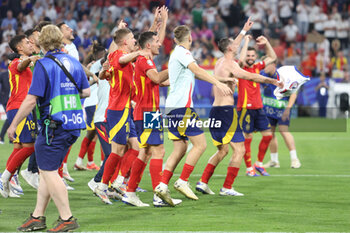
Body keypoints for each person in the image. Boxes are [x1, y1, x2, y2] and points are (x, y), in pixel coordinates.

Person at [7, 25, 90, 232]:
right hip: (73, 123)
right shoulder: (73, 61)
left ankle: (67, 217)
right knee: (47, 170)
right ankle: (37, 216)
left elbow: (30, 100)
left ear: (42, 43)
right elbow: (86, 91)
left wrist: (14, 124)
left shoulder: (44, 64)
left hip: (53, 125)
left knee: (49, 172)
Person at [154, 25, 232, 206]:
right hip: (183, 108)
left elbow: (192, 75)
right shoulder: (183, 53)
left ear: (174, 39)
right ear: (190, 39)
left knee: (180, 148)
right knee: (201, 144)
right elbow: (197, 71)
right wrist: (218, 84)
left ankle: (162, 187)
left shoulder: (176, 55)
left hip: (171, 108)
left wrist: (222, 80)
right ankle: (183, 180)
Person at [196, 34, 283, 196]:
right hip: (227, 112)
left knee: (223, 151)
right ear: (230, 48)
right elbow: (250, 76)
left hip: (215, 111)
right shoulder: (230, 64)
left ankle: (203, 181)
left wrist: (244, 32)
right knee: (240, 150)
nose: (238, 45)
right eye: (235, 44)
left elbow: (232, 45)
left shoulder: (220, 62)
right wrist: (272, 81)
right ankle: (227, 187)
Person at [93, 27, 147, 205]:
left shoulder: (121, 60)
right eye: (132, 38)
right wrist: (141, 52)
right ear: (125, 42)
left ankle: (118, 182)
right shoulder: (118, 55)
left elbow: (104, 75)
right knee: (116, 151)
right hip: (117, 110)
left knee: (136, 147)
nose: (135, 41)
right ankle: (101, 186)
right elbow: (121, 60)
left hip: (126, 109)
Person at [0, 34, 40, 198]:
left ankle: (8, 180)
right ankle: (4, 178)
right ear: (19, 48)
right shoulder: (16, 63)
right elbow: (22, 64)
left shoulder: (24, 62)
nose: (30, 44)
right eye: (26, 42)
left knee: (18, 147)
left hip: (23, 109)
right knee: (30, 147)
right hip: (18, 108)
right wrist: (32, 59)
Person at [238, 35, 277, 177]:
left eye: (253, 55)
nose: (250, 57)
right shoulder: (240, 68)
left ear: (255, 57)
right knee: (247, 138)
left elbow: (272, 56)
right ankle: (249, 169)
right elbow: (241, 60)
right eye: (248, 55)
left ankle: (258, 164)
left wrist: (266, 43)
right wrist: (246, 41)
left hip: (258, 108)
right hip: (245, 108)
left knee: (268, 136)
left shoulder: (257, 67)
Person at [261, 62, 301, 169]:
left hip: (282, 109)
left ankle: (295, 159)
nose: (264, 68)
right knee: (270, 134)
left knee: (284, 131)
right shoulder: (263, 74)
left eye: (267, 65)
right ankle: (274, 161)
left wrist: (288, 108)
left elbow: (293, 92)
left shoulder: (284, 75)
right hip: (269, 109)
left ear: (273, 64)